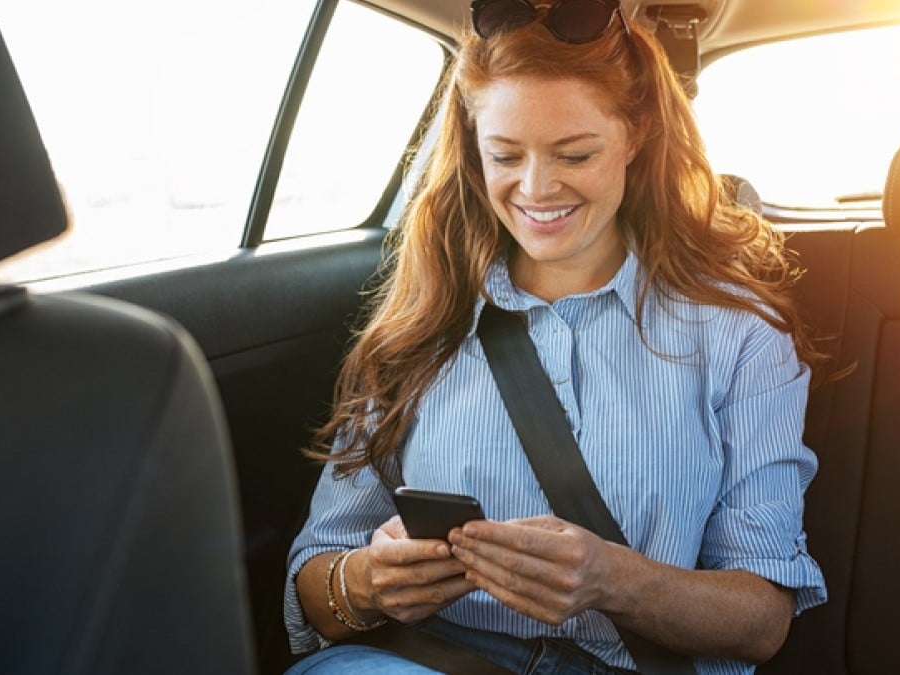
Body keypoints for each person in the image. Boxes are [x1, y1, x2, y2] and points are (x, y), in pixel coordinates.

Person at [283, 1, 827, 673]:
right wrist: (366, 580)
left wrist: (613, 580)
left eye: (574, 153)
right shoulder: (420, 324)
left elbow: (762, 619)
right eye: (505, 155)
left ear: (637, 133)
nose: (537, 189)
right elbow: (316, 579)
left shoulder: (739, 332)